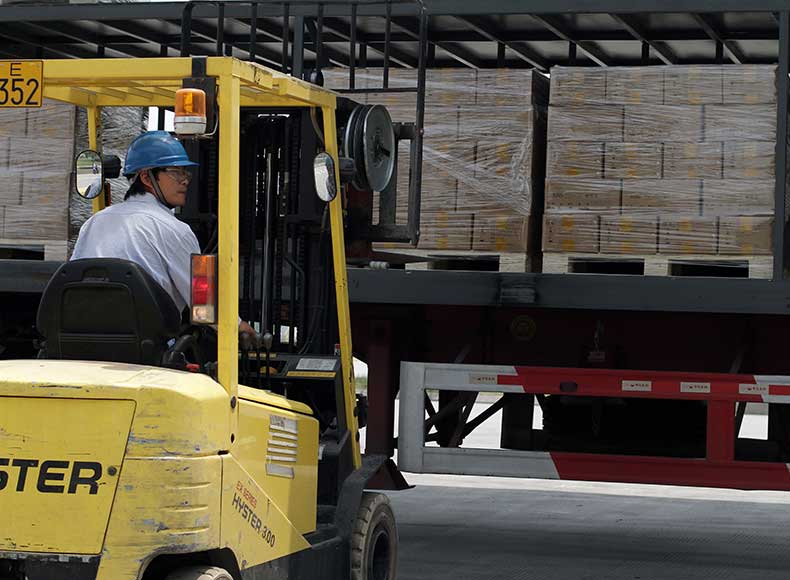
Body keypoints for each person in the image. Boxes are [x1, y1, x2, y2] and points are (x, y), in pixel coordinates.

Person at [72, 130, 258, 342]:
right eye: (176, 172)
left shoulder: (93, 223)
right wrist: (240, 328)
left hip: (82, 345)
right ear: (146, 177)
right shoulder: (177, 230)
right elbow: (205, 306)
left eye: (185, 173)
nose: (185, 180)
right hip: (145, 353)